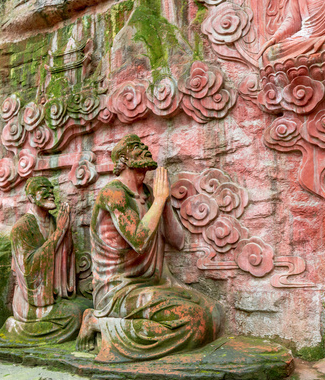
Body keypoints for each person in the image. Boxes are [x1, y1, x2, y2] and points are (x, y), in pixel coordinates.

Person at [76, 134, 222, 362]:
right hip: (119, 291)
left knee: (213, 313)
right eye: (136, 148)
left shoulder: (148, 194)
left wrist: (160, 201)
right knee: (194, 321)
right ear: (123, 159)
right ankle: (101, 325)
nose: (144, 150)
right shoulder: (113, 194)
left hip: (152, 285)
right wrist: (160, 198)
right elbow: (139, 240)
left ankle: (115, 328)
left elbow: (178, 240)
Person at [0, 177, 90, 347]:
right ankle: (15, 328)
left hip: (53, 292)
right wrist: (59, 233)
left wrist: (66, 231)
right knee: (76, 315)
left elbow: (65, 257)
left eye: (51, 189)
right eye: (44, 189)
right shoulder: (22, 227)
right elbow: (29, 269)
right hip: (32, 298)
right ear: (31, 197)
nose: (50, 193)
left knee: (87, 305)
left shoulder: (54, 222)